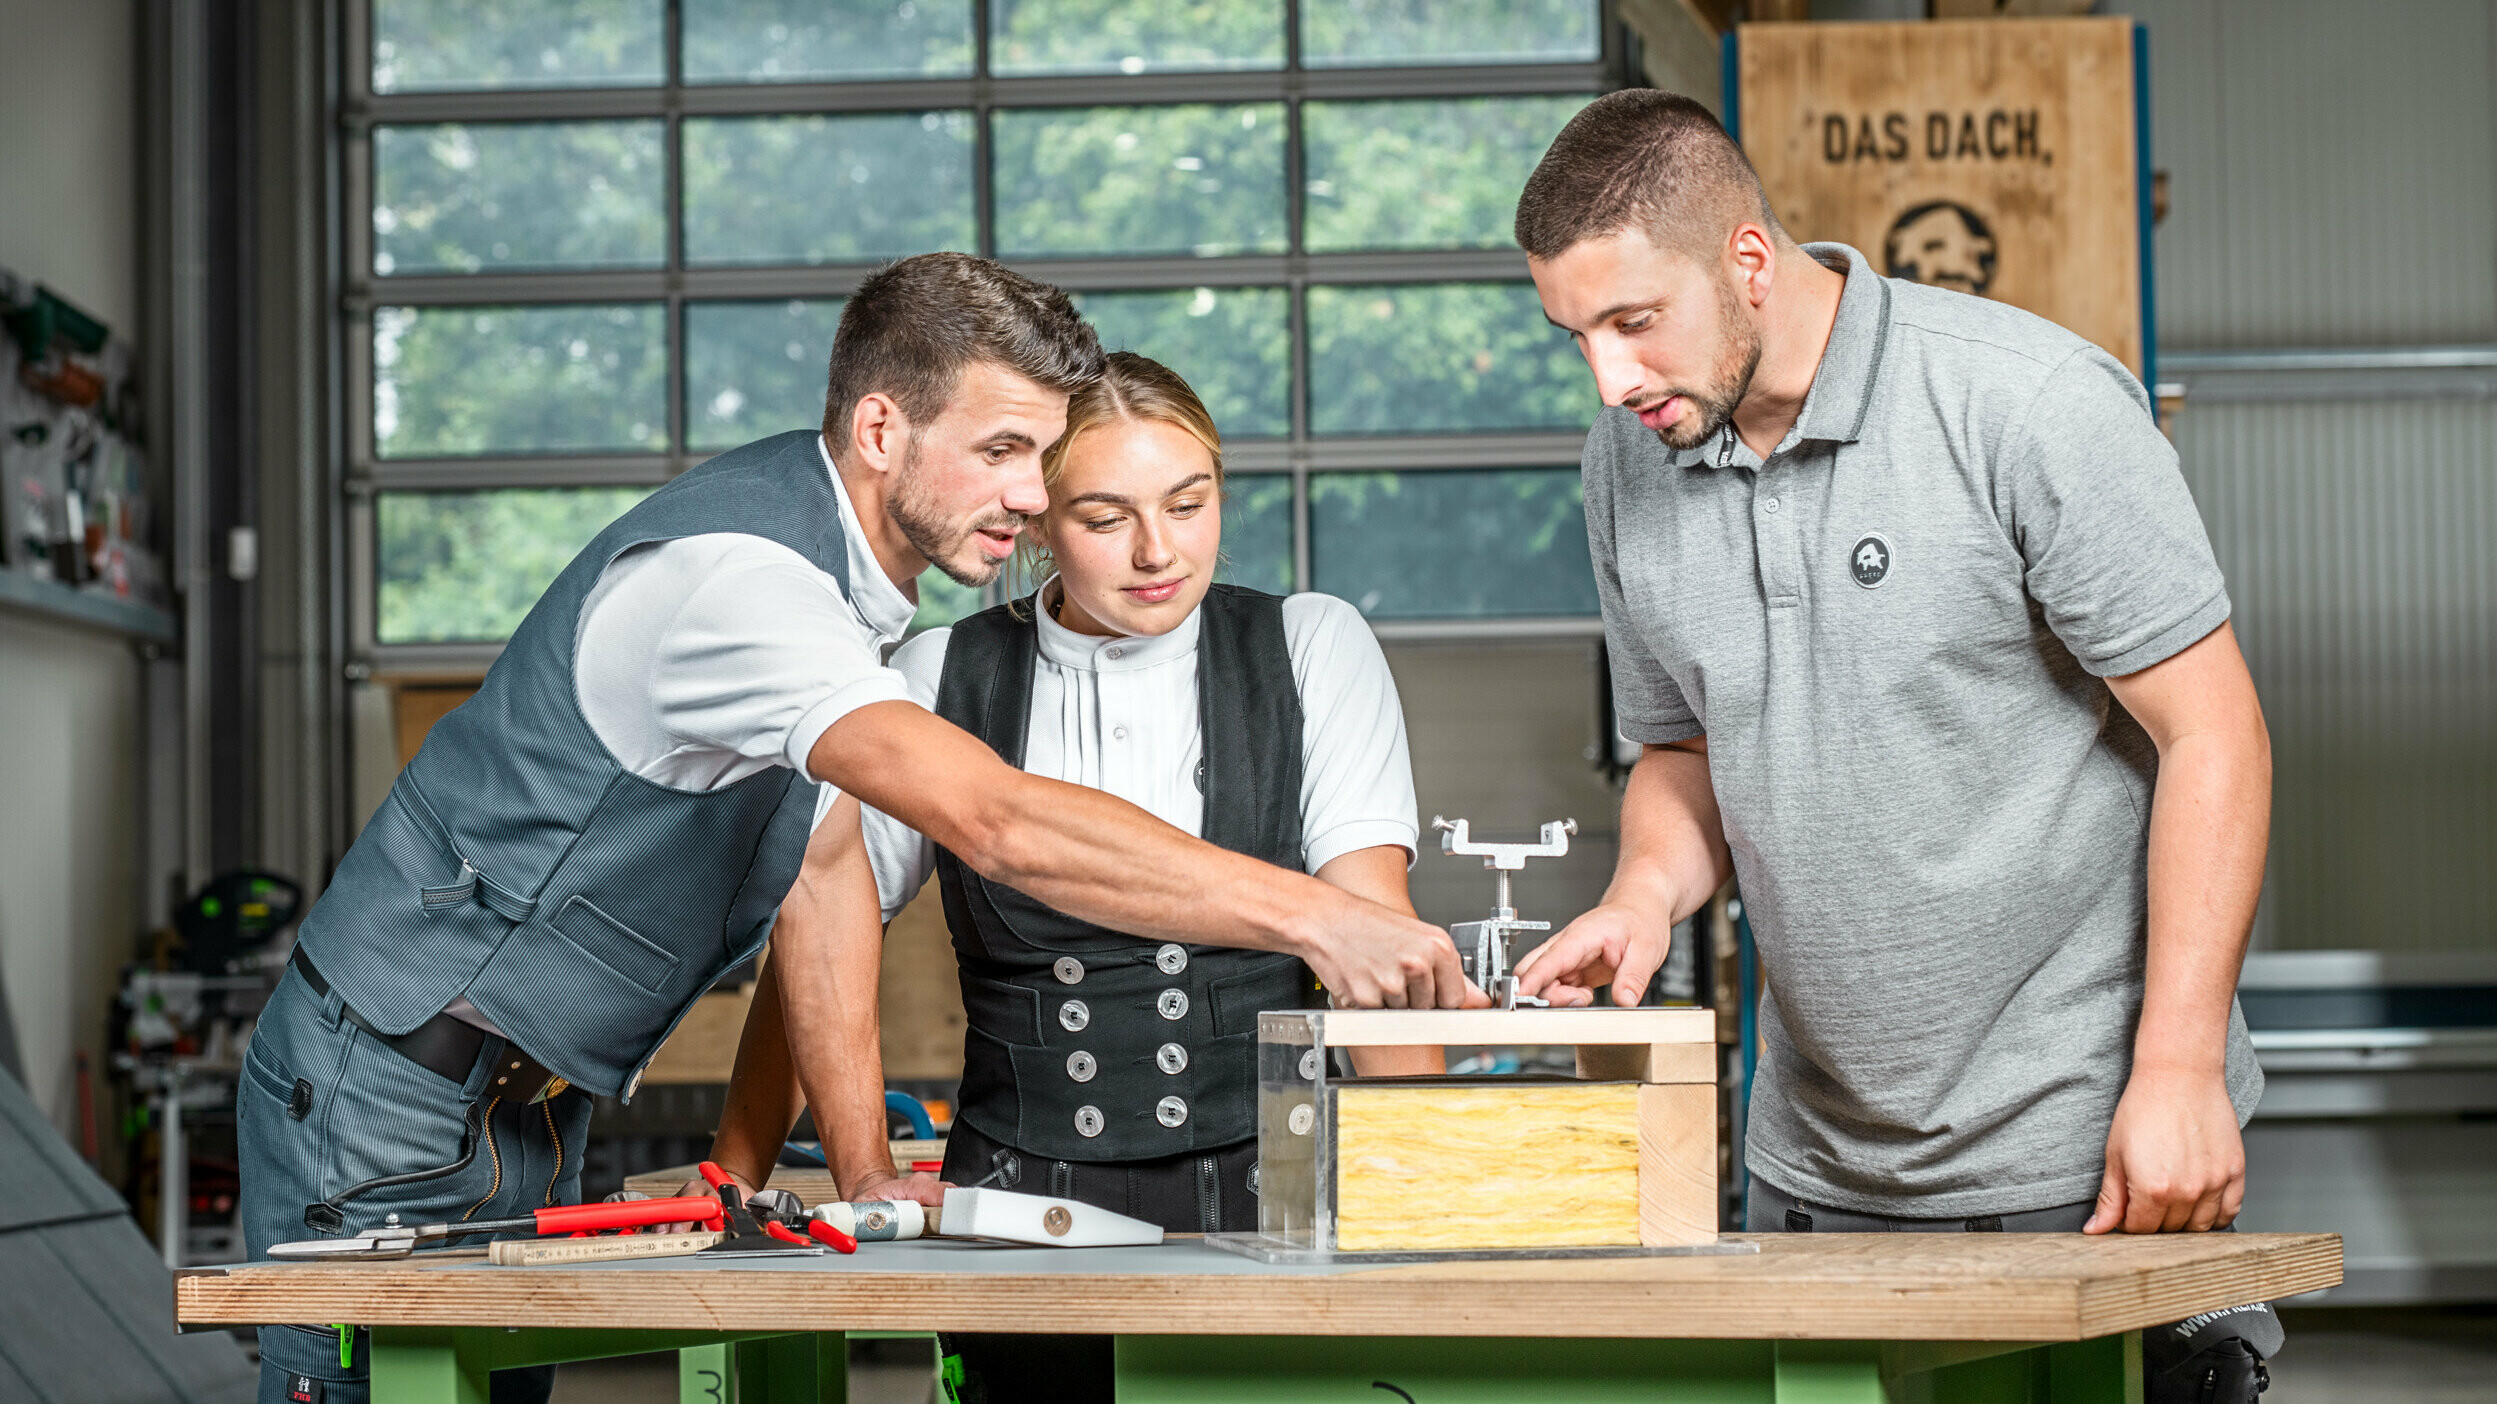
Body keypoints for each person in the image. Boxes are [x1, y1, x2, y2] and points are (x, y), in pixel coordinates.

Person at [238, 258, 1476, 1404]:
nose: (1031, 496)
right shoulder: (750, 589)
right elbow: (989, 819)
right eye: (1004, 452)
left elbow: (814, 884)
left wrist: (813, 1169)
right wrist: (1314, 913)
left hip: (523, 1097)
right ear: (882, 429)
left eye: (1046, 459)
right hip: (392, 1076)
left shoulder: (860, 596)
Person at [1508, 91, 2283, 1402]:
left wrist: (2179, 1071)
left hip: (2083, 1157)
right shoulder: (1628, 463)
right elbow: (1683, 747)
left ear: (1747, 261)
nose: (1609, 377)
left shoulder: (2023, 405)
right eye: (1574, 333)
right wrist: (1642, 898)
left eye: (1635, 323)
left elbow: (2214, 733)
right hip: (1814, 1174)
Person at [701, 351, 1441, 1403]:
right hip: (1014, 1211)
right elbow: (822, 920)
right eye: (1104, 518)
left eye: (1189, 504)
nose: (1157, 552)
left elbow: (1376, 939)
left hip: (1277, 1195)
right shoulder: (933, 677)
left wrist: (1442, 1209)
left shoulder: (1311, 643)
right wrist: (798, 1165)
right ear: (1036, 519)